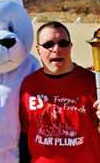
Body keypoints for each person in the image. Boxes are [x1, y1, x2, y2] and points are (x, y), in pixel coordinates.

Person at [19, 21, 100, 163]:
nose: (56, 49)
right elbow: (22, 135)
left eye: (63, 43)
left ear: (70, 47)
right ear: (38, 49)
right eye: (49, 44)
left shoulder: (93, 82)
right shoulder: (28, 85)